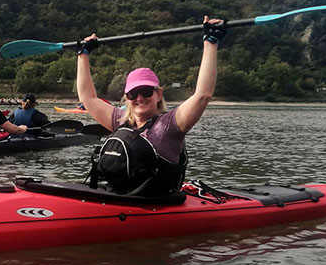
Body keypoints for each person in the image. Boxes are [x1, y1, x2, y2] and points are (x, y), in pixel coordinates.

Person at [76, 16, 225, 197]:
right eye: (132, 94)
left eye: (146, 91)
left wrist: (211, 42)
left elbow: (203, 95)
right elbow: (88, 98)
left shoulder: (170, 125)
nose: (139, 98)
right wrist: (83, 54)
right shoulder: (120, 120)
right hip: (122, 199)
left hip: (156, 204)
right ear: (126, 97)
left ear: (158, 94)